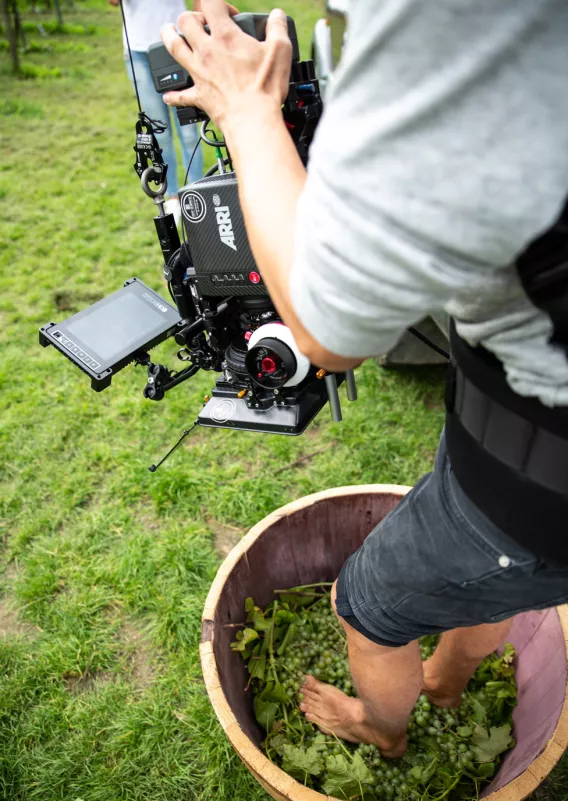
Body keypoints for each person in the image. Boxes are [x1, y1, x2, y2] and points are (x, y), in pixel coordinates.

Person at [161, 0, 568, 757]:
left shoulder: (460, 21)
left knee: (367, 601)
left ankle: (385, 730)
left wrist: (250, 115)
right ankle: (444, 681)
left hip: (538, 487)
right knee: (498, 579)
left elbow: (326, 332)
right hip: (525, 441)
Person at [109, 0, 204, 223]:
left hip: (177, 44)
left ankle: (196, 193)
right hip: (138, 50)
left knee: (190, 133)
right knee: (159, 133)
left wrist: (199, 34)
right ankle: (172, 196)